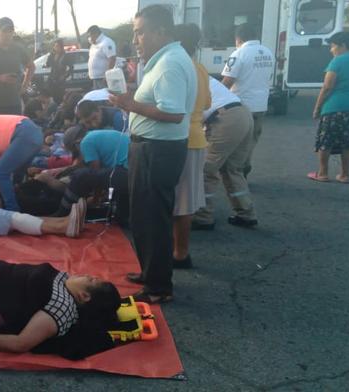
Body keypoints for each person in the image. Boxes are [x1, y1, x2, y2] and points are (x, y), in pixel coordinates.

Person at [110, 5, 197, 304]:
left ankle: (159, 286)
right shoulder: (163, 60)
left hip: (158, 149)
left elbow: (172, 114)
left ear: (161, 31)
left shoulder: (170, 63)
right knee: (144, 215)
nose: (136, 38)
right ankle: (150, 272)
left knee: (154, 218)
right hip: (151, 147)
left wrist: (130, 104)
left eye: (140, 32)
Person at [169, 23, 211, 268]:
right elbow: (206, 102)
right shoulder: (200, 69)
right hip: (195, 137)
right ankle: (178, 251)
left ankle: (180, 254)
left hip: (182, 139)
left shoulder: (177, 67)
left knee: (181, 202)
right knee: (183, 200)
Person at [192, 77, 256, 230]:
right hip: (242, 113)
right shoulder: (199, 74)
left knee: (206, 170)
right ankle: (246, 214)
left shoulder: (182, 76)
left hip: (224, 119)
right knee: (232, 169)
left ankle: (202, 216)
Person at [309, 32, 349, 183]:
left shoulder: (337, 61)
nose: (331, 50)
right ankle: (345, 174)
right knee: (348, 142)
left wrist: (317, 107)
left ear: (343, 45)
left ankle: (323, 173)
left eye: (333, 46)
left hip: (335, 106)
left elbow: (327, 87)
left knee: (326, 141)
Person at [221, 24, 274, 179]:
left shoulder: (239, 54)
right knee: (250, 142)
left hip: (241, 106)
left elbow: (227, 82)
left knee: (235, 142)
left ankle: (234, 175)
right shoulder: (268, 52)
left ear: (238, 38)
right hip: (261, 105)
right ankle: (244, 169)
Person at [54, 126, 131, 223]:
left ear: (76, 143)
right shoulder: (96, 134)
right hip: (133, 172)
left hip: (127, 172)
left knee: (81, 176)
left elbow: (95, 174)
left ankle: (63, 215)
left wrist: (95, 199)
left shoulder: (85, 142)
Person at [86, 25, 117, 90]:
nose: (89, 38)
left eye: (90, 36)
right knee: (97, 98)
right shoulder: (93, 45)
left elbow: (112, 59)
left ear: (96, 34)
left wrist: (107, 75)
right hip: (95, 78)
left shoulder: (106, 42)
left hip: (103, 78)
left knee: (104, 97)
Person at [45, 39, 73, 103]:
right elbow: (48, 64)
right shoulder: (52, 55)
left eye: (57, 46)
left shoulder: (65, 56)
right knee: (52, 97)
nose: (55, 47)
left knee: (60, 97)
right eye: (54, 46)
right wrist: (50, 57)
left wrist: (65, 76)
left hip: (60, 80)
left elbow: (71, 68)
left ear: (61, 47)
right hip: (52, 79)